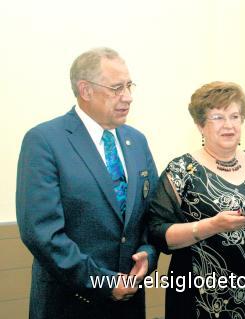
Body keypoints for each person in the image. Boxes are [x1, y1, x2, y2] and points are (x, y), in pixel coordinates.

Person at [16, 47, 158, 319]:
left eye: (129, 86)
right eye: (117, 88)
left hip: (129, 304)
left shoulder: (136, 141)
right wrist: (102, 281)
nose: (127, 97)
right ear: (86, 90)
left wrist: (148, 254)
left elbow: (151, 215)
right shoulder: (45, 141)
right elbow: (41, 233)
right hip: (69, 304)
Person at [148, 81, 245, 319]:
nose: (229, 125)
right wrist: (212, 226)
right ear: (200, 125)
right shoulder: (181, 171)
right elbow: (158, 233)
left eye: (235, 116)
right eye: (218, 118)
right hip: (203, 299)